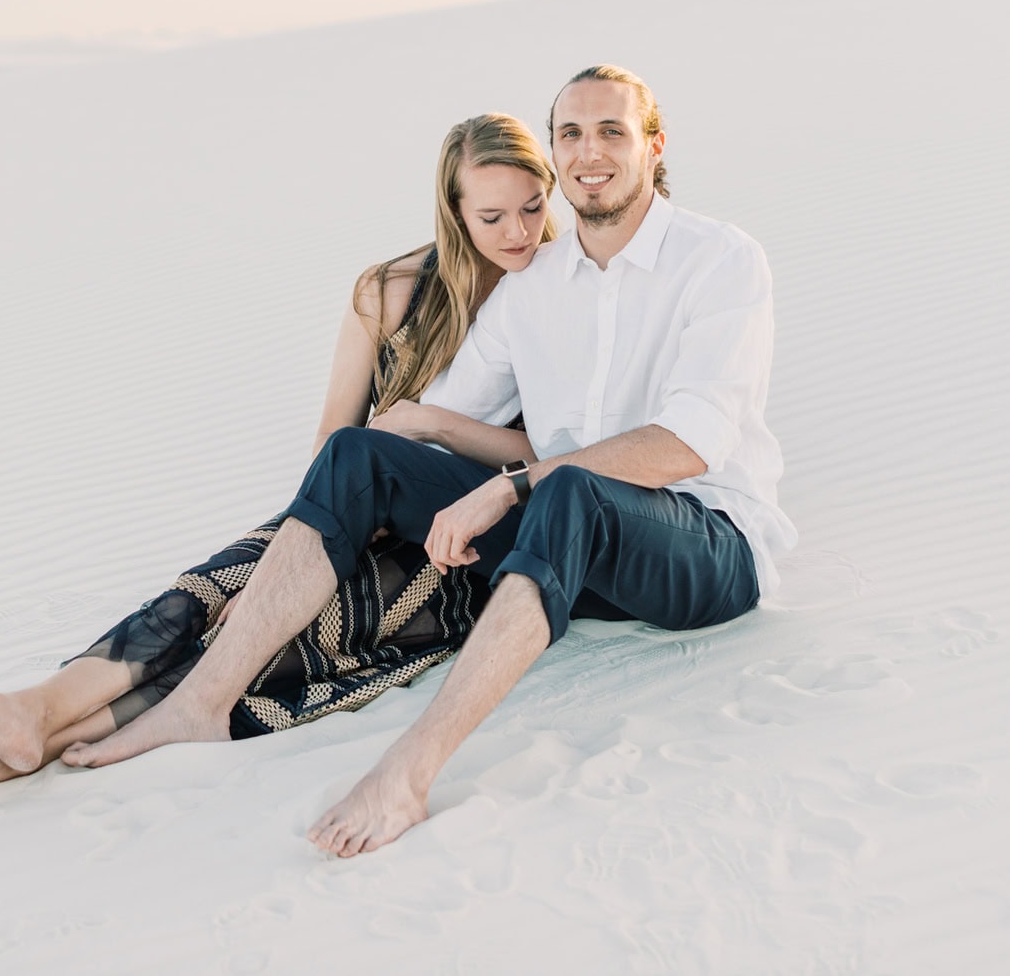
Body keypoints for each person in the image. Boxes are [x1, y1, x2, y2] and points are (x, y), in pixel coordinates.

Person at [61, 65, 796, 860]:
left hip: (705, 550)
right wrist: (277, 558)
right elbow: (427, 436)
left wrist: (510, 489)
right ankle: (202, 702)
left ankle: (408, 772)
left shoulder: (720, 259)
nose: (591, 152)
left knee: (571, 490)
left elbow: (689, 442)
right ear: (555, 155)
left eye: (612, 130)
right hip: (565, 556)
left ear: (654, 145)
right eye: (571, 134)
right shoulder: (535, 285)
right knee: (358, 455)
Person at [0, 114, 562, 787]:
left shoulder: (561, 293)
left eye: (532, 207)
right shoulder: (392, 292)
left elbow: (557, 454)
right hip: (354, 508)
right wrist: (290, 553)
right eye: (491, 216)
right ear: (453, 213)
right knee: (213, 590)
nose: (518, 233)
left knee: (293, 634)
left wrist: (431, 424)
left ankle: (48, 742)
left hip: (462, 544)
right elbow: (333, 446)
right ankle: (34, 709)